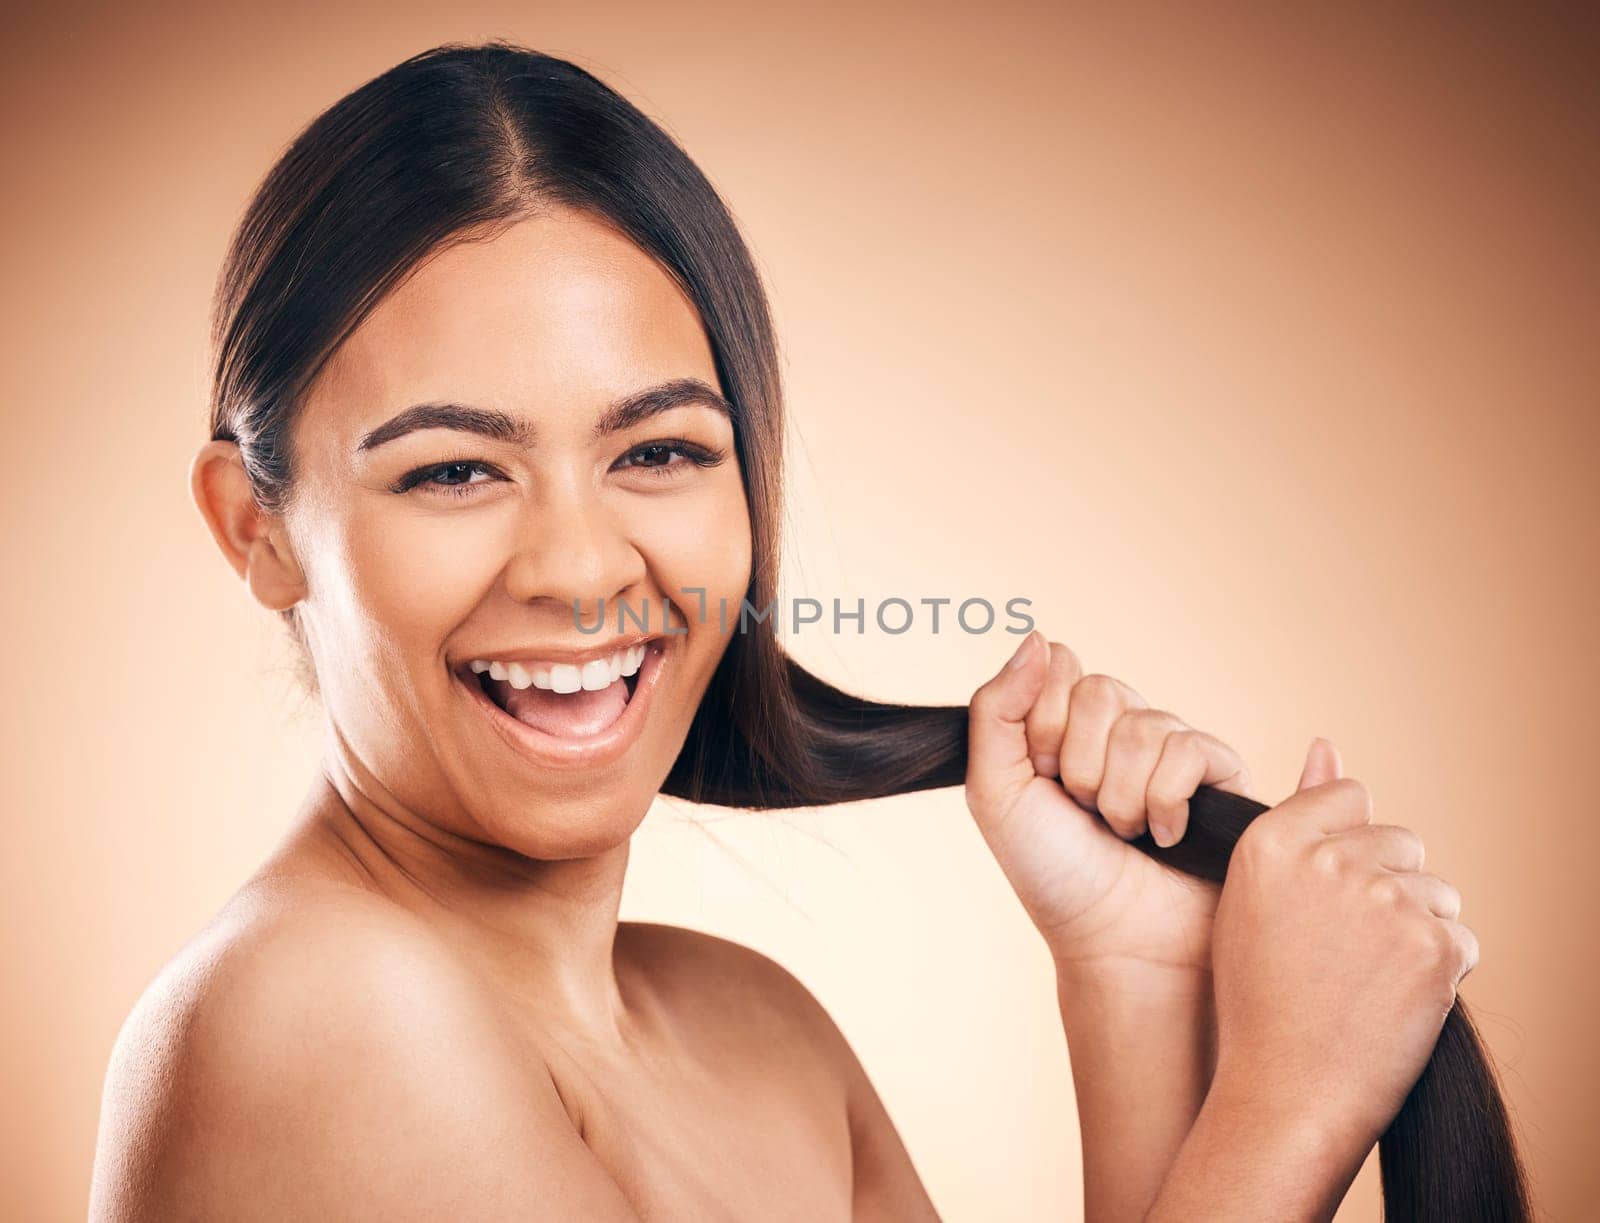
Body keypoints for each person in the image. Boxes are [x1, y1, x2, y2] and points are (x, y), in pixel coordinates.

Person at [88, 42, 1477, 1221]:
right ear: (255, 530)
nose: (581, 566)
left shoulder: (760, 1032)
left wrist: (1130, 971)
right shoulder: (318, 1020)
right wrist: (1291, 1110)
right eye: (454, 470)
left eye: (660, 452)